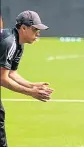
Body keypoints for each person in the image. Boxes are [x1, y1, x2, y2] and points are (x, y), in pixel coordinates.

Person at [0, 10, 54, 147]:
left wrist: (32, 85)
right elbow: (2, 78)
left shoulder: (19, 43)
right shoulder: (9, 42)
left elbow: (11, 73)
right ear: (23, 28)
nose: (38, 34)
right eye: (35, 29)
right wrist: (31, 92)